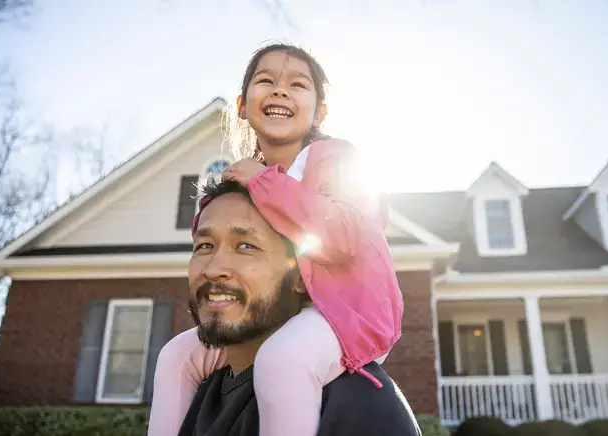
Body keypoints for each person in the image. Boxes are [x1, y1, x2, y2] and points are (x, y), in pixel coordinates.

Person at [148, 43, 403, 436]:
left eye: (297, 84)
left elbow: (342, 236)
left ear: (320, 112)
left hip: (345, 314)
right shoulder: (249, 174)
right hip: (282, 311)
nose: (280, 90)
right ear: (243, 105)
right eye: (265, 80)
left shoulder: (334, 159)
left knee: (282, 361)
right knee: (176, 356)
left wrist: (264, 182)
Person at [178, 179, 420, 436]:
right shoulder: (195, 396)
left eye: (246, 246)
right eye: (205, 246)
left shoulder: (360, 404)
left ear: (300, 276)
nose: (214, 269)